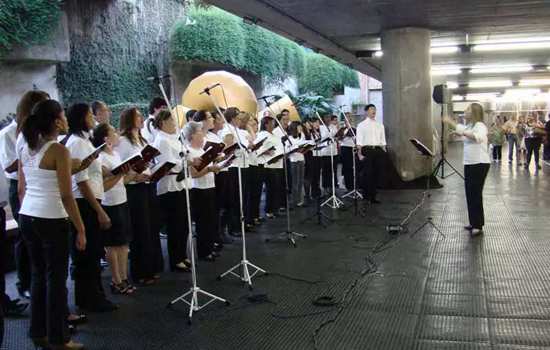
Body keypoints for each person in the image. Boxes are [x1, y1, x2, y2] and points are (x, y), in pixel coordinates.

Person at [17, 99, 86, 349]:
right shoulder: (59, 150)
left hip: (28, 216)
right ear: (56, 121)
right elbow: (67, 196)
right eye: (64, 116)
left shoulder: (26, 145)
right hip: (51, 218)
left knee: (38, 276)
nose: (67, 120)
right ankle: (59, 338)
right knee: (56, 280)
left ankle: (39, 332)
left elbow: (23, 186)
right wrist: (81, 227)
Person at [64, 103, 116, 312]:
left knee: (94, 253)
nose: (93, 119)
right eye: (89, 115)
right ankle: (88, 298)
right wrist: (99, 211)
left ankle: (94, 295)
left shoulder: (85, 141)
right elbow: (81, 182)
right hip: (85, 203)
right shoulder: (76, 143)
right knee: (87, 254)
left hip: (93, 200)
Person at [0, 90, 49, 302]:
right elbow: (9, 166)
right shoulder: (10, 133)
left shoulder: (40, 132)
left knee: (39, 237)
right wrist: (29, 155)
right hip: (20, 184)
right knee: (24, 234)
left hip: (38, 183)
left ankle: (38, 281)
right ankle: (24, 282)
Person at [116, 107, 163, 285]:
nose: (141, 118)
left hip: (147, 183)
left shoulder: (141, 138)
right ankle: (141, 271)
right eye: (137, 116)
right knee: (140, 229)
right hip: (134, 187)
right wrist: (135, 175)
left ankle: (151, 266)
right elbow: (121, 165)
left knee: (151, 226)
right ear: (129, 119)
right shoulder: (122, 141)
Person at [92, 124, 136, 294]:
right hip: (109, 203)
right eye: (113, 133)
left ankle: (124, 277)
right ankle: (116, 280)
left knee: (124, 243)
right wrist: (119, 174)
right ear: (106, 139)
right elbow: (103, 186)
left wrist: (131, 173)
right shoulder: (100, 158)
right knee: (112, 244)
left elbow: (121, 182)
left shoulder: (116, 154)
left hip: (122, 200)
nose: (117, 134)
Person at [443, 103, 491, 236]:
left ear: (475, 112)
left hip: (479, 163)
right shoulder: (471, 126)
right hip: (470, 163)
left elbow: (478, 137)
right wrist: (456, 130)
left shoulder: (480, 126)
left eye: (468, 109)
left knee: (475, 193)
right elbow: (464, 131)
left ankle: (478, 225)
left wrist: (457, 128)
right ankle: (473, 222)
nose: (465, 111)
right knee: (470, 193)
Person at [152, 110, 190, 272]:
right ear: (162, 123)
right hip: (169, 185)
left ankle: (182, 254)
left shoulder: (174, 138)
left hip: (180, 182)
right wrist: (184, 161)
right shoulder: (161, 140)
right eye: (171, 121)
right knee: (175, 224)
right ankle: (176, 259)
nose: (174, 124)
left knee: (183, 223)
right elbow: (166, 163)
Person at [185, 121, 221, 261]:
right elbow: (193, 174)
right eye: (200, 132)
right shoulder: (189, 152)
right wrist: (209, 169)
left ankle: (210, 247)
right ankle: (203, 251)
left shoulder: (202, 151)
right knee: (202, 222)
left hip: (209, 186)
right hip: (198, 189)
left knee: (210, 220)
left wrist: (216, 166)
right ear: (193, 135)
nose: (203, 134)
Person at [356, 104, 386, 204]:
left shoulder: (380, 125)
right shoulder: (361, 125)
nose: (374, 111)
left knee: (377, 174)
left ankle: (373, 197)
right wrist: (359, 154)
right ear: (366, 112)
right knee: (368, 174)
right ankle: (366, 196)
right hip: (367, 150)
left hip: (378, 150)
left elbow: (383, 141)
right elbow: (359, 142)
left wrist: (384, 152)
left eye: (375, 109)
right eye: (371, 109)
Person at [255, 115, 282, 218]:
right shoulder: (262, 134)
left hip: (278, 163)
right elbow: (258, 149)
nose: (274, 124)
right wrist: (266, 151)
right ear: (266, 124)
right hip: (268, 164)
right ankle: (269, 210)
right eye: (272, 123)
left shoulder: (274, 135)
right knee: (271, 188)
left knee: (276, 188)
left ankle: (275, 208)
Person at [288, 121, 306, 207]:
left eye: (301, 127)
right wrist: (295, 148)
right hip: (293, 160)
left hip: (301, 159)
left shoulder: (302, 135)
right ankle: (294, 200)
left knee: (301, 180)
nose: (301, 128)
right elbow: (289, 150)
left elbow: (304, 145)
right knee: (295, 181)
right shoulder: (289, 137)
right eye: (299, 127)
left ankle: (300, 199)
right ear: (294, 128)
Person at [340, 114, 357, 191]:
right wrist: (344, 136)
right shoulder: (342, 129)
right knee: (346, 167)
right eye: (347, 118)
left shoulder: (354, 129)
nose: (349, 119)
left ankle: (353, 184)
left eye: (350, 118)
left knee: (352, 167)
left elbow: (356, 139)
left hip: (352, 148)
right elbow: (339, 139)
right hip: (345, 148)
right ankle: (347, 185)